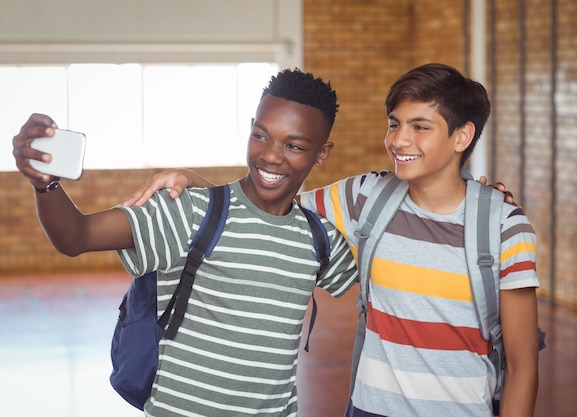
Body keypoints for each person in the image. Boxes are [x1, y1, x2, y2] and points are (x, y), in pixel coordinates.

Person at [126, 63, 540, 417]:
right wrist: (194, 183)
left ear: (462, 137)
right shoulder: (365, 197)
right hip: (369, 408)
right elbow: (268, 200)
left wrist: (488, 201)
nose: (398, 140)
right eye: (395, 124)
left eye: (420, 127)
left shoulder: (503, 226)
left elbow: (523, 365)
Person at [12, 68, 359, 417]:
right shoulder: (189, 211)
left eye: (293, 145)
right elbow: (76, 236)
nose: (271, 155)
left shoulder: (319, 239)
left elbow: (381, 281)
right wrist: (45, 184)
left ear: (322, 152)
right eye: (260, 136)